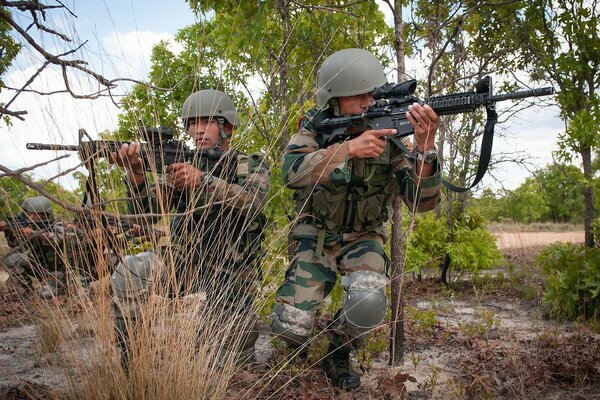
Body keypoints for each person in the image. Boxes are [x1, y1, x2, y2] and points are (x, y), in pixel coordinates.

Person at [271, 48, 442, 389]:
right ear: (334, 100)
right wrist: (347, 150)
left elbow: (420, 203)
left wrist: (425, 147)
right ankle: (301, 341)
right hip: (315, 236)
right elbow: (290, 173)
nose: (367, 101)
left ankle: (337, 351)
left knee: (368, 302)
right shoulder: (314, 130)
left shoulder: (389, 137)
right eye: (357, 95)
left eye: (370, 93)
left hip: (363, 237)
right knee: (290, 326)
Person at [110, 89, 270, 365]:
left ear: (227, 127)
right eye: (193, 124)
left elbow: (251, 201)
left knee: (227, 354)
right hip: (183, 261)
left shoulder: (249, 162)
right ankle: (131, 359)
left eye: (207, 122)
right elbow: (143, 212)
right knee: (131, 270)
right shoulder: (180, 166)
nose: (198, 131)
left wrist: (203, 181)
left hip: (231, 270)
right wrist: (135, 172)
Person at [2, 196, 81, 298]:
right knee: (11, 259)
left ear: (44, 214)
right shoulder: (28, 225)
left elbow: (57, 239)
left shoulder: (57, 224)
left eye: (33, 214)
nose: (30, 217)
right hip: (38, 267)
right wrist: (8, 231)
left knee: (46, 295)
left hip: (56, 270)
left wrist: (34, 233)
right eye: (29, 214)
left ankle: (61, 285)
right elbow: (16, 248)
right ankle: (25, 288)